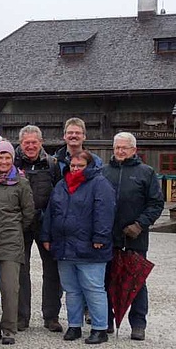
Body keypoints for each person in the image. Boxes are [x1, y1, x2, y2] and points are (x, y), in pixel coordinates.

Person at [41, 150, 115, 345]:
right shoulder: (62, 185)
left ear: (89, 166)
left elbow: (105, 212)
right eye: (72, 165)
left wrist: (100, 236)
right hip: (64, 248)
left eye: (80, 166)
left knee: (93, 289)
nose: (75, 169)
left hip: (90, 248)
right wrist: (46, 236)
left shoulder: (100, 184)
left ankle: (100, 328)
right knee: (71, 290)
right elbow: (51, 212)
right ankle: (74, 325)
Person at [102, 132, 164, 341]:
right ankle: (107, 320)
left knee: (136, 281)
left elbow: (156, 204)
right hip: (109, 237)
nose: (120, 151)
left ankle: (138, 324)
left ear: (133, 150)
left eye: (124, 148)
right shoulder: (103, 172)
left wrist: (140, 224)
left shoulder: (146, 173)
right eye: (117, 147)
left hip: (135, 237)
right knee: (106, 279)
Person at [0, 140, 35, 345]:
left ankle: (9, 329)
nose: (3, 161)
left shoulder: (21, 183)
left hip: (11, 239)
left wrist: (15, 229)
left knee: (9, 287)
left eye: (7, 157)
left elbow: (28, 213)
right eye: (0, 157)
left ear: (12, 159)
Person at [13, 125, 63, 332]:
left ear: (41, 143)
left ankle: (51, 316)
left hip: (45, 224)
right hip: (20, 225)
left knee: (51, 272)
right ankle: (21, 316)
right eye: (27, 143)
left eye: (34, 142)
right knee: (20, 272)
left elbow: (60, 197)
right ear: (20, 144)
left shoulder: (52, 165)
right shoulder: (12, 163)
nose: (31, 146)